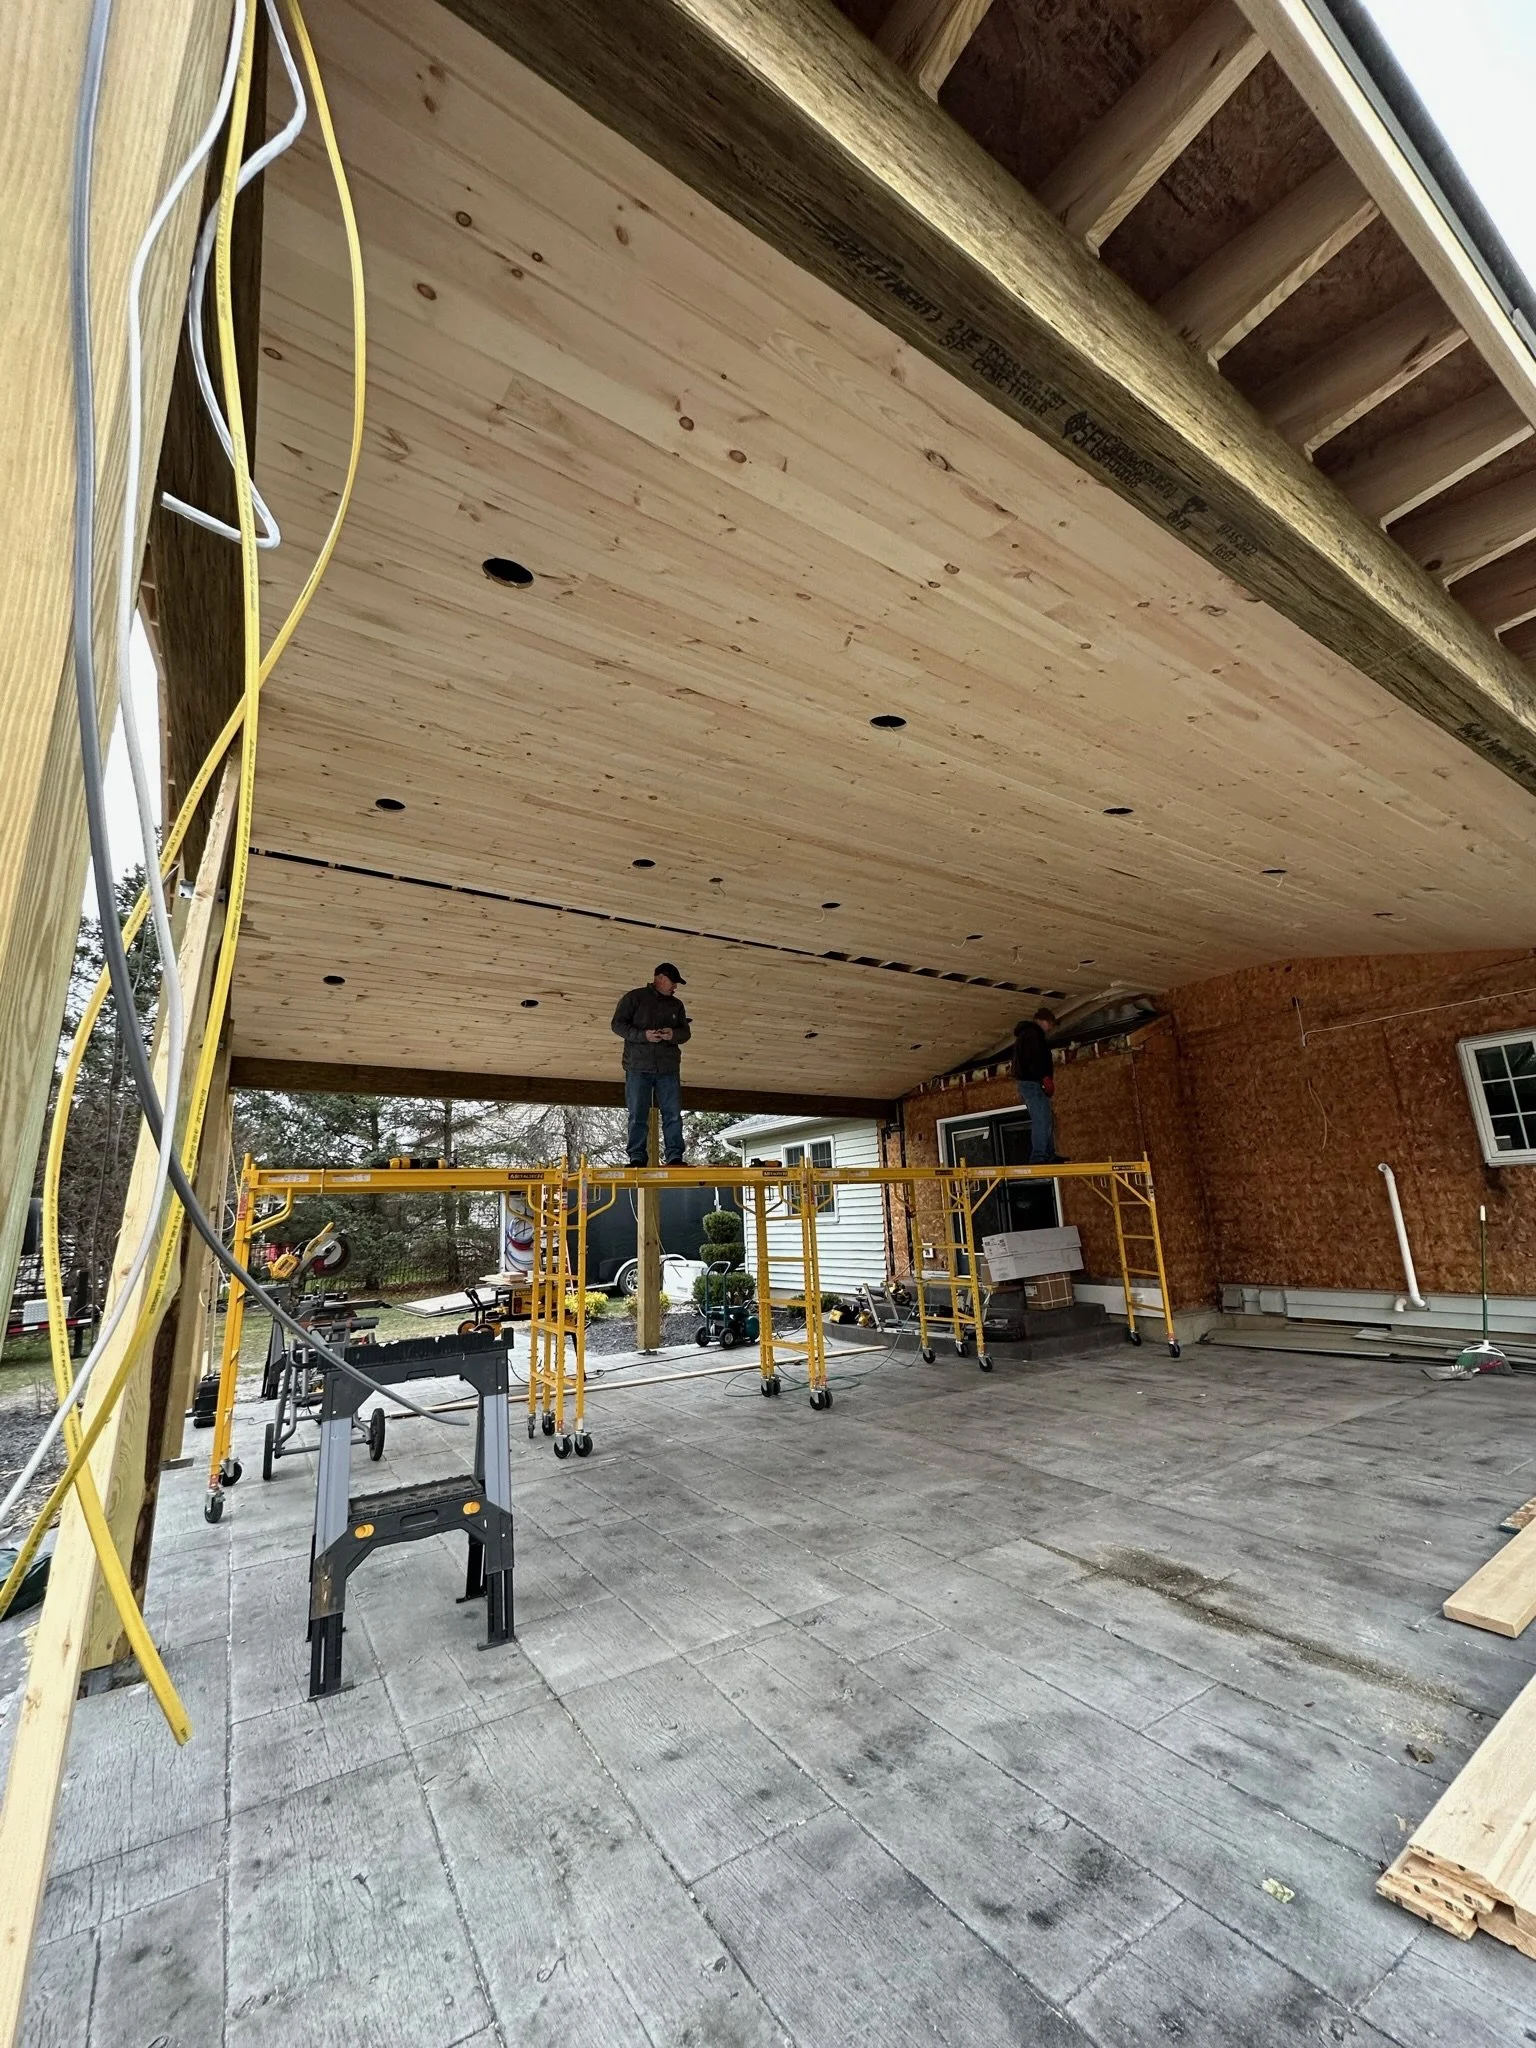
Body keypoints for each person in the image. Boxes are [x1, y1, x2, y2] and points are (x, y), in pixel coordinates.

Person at [612, 963, 692, 1166]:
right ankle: (637, 1156)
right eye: (673, 982)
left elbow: (685, 1033)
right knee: (638, 1113)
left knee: (672, 1114)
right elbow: (617, 1025)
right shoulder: (635, 998)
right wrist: (643, 1036)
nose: (675, 987)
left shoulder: (676, 1005)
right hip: (638, 1066)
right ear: (661, 978)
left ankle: (674, 1156)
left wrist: (672, 1034)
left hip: (668, 1068)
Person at [1012, 1008, 1065, 1166]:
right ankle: (1040, 1156)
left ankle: (1047, 1154)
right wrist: (1045, 1077)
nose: (1050, 1029)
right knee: (1042, 1119)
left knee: (1045, 1118)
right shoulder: (1033, 1035)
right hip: (1032, 1083)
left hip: (1030, 1082)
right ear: (1044, 1021)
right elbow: (1035, 1059)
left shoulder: (1027, 1035)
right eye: (1050, 1025)